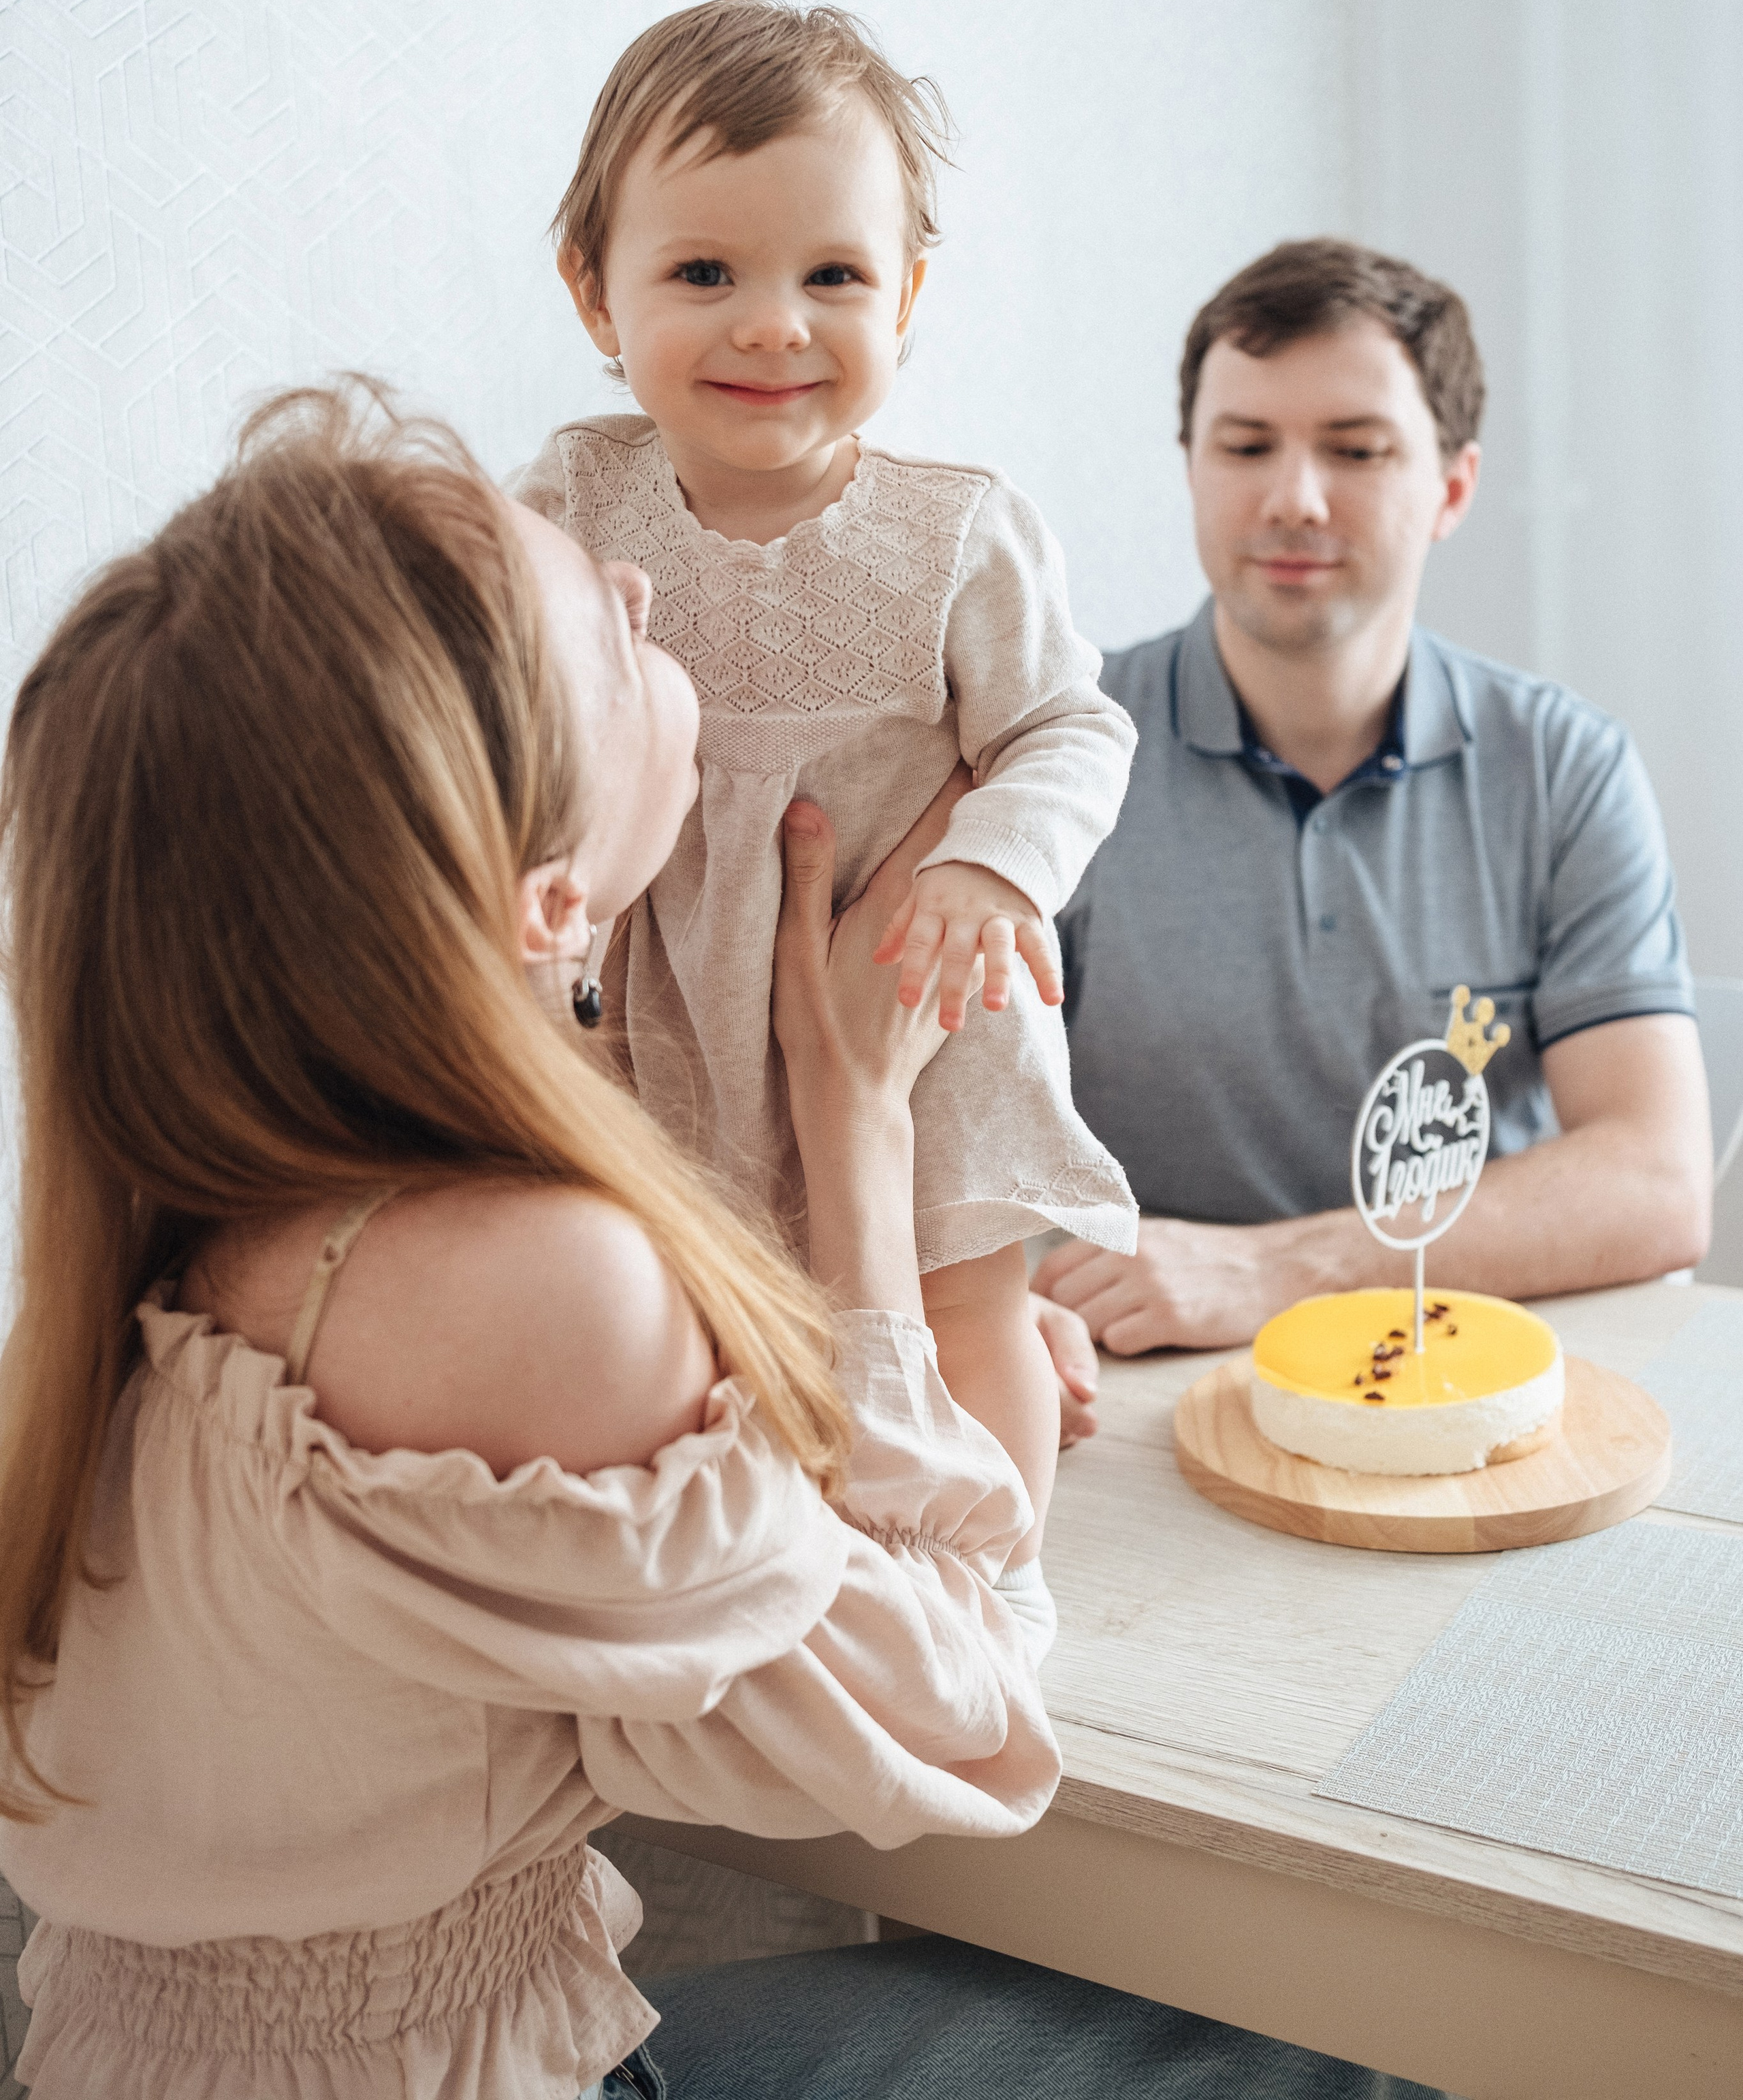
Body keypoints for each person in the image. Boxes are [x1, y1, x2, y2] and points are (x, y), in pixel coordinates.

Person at [0, 382, 1443, 2100]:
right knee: (1336, 2045)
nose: (634, 584)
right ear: (549, 902)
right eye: (591, 622)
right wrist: (858, 1122)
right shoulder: (524, 1289)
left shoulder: (180, 1223)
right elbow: (959, 1709)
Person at [515, 0, 1138, 1647]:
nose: (772, 325)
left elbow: (1068, 726)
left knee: (958, 1293)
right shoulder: (568, 505)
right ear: (596, 292)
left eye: (834, 277)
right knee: (699, 1310)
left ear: (907, 295)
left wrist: (999, 861)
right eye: (702, 273)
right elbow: (493, 718)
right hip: (666, 1005)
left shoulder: (957, 535)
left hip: (911, 998)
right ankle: (765, 1566)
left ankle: (986, 1567)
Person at [1035, 238, 1710, 1374]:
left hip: (1476, 1371)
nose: (1293, 497)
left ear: (1452, 486)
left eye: (1355, 450)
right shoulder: (1054, 752)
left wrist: (1275, 1272)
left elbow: (1656, 1180)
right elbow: (936, 1141)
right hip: (1146, 1374)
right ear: (1191, 466)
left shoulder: (1568, 767)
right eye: (1245, 446)